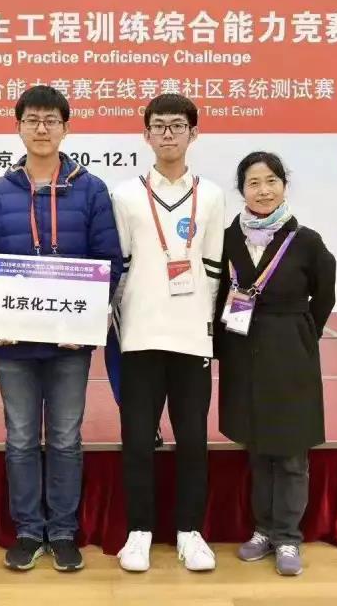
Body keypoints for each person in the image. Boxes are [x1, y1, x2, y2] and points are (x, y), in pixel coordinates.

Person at [0, 84, 122, 572]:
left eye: (51, 120)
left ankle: (61, 532)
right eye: (32, 120)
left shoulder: (91, 189)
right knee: (20, 437)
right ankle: (26, 530)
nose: (41, 128)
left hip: (69, 342)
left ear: (66, 127)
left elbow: (109, 261)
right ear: (18, 126)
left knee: (64, 438)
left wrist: (86, 318)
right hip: (13, 342)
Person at [110, 93, 226, 573]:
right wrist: (120, 323)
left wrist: (203, 324)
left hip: (191, 338)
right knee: (138, 439)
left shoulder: (212, 195)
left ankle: (189, 532)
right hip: (140, 335)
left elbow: (215, 269)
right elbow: (119, 268)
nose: (168, 134)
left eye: (178, 125)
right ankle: (138, 532)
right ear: (146, 135)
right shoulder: (126, 195)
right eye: (159, 126)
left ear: (193, 134)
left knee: (193, 439)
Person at [213, 151, 336, 577]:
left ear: (284, 186)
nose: (263, 191)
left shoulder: (306, 241)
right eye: (253, 183)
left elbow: (324, 295)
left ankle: (287, 536)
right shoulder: (227, 239)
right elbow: (217, 294)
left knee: (290, 451)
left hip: (290, 354)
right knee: (257, 448)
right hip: (243, 351)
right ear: (241, 190)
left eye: (271, 181)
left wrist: (301, 334)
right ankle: (263, 530)